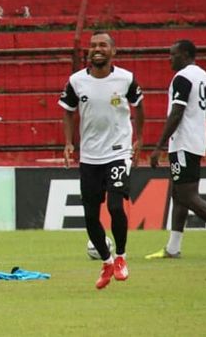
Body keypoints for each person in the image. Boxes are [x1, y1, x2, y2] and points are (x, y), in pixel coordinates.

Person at [59, 31, 144, 290]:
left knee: (117, 207)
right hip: (90, 156)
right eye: (93, 45)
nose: (97, 49)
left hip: (118, 152)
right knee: (90, 216)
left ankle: (120, 257)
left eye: (103, 45)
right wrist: (68, 142)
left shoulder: (126, 79)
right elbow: (67, 112)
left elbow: (139, 107)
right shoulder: (76, 81)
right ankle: (106, 262)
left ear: (113, 51)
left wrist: (139, 139)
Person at [147, 40, 206, 259]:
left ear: (185, 54)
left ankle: (173, 248)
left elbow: (177, 112)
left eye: (172, 54)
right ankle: (173, 248)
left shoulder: (183, 78)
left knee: (187, 195)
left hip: (183, 142)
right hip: (196, 141)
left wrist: (158, 147)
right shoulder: (204, 76)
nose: (169, 58)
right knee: (178, 194)